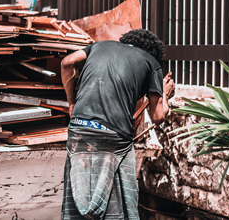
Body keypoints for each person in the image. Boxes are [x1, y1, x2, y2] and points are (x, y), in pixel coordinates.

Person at [60, 29, 174, 220]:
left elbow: (67, 62)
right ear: (152, 52)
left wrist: (72, 103)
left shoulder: (99, 46)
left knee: (74, 196)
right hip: (113, 137)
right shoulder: (151, 63)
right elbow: (157, 117)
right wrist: (165, 95)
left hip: (78, 129)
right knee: (121, 195)